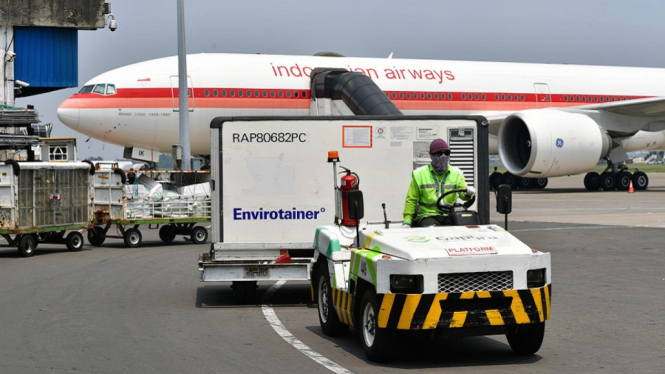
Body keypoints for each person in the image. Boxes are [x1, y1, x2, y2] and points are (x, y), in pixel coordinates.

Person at [402, 138, 475, 227]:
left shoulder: (457, 174)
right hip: (428, 215)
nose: (443, 156)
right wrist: (407, 221)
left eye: (446, 153)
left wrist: (468, 194)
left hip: (451, 215)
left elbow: (463, 196)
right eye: (439, 153)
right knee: (432, 231)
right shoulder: (419, 174)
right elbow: (411, 199)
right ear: (431, 156)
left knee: (464, 228)